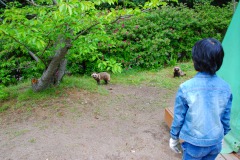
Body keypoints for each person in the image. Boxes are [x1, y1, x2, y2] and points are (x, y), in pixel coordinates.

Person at [169, 38, 233, 160]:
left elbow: (179, 117)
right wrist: (220, 135)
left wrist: (174, 137)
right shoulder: (226, 88)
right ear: (220, 61)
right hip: (215, 143)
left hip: (194, 144)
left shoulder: (186, 88)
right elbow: (226, 117)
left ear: (195, 60)